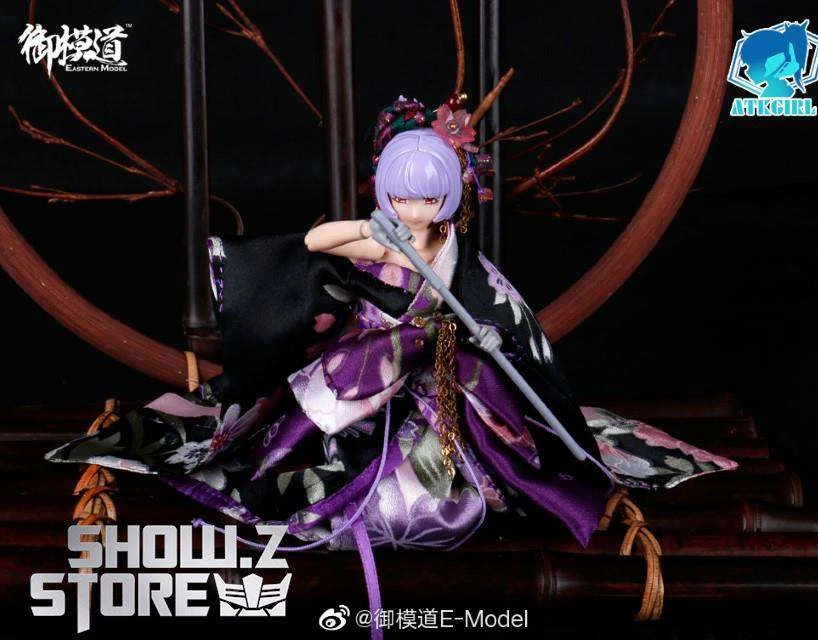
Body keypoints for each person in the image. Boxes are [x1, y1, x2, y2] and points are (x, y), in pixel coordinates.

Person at [45, 95, 737, 554]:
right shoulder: (384, 238)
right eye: (402, 197)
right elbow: (312, 243)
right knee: (306, 437)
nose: (414, 209)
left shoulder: (459, 255)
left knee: (478, 458)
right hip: (365, 367)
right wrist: (364, 229)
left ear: (450, 196)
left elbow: (501, 308)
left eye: (427, 198)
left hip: (441, 373)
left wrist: (490, 335)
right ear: (387, 192)